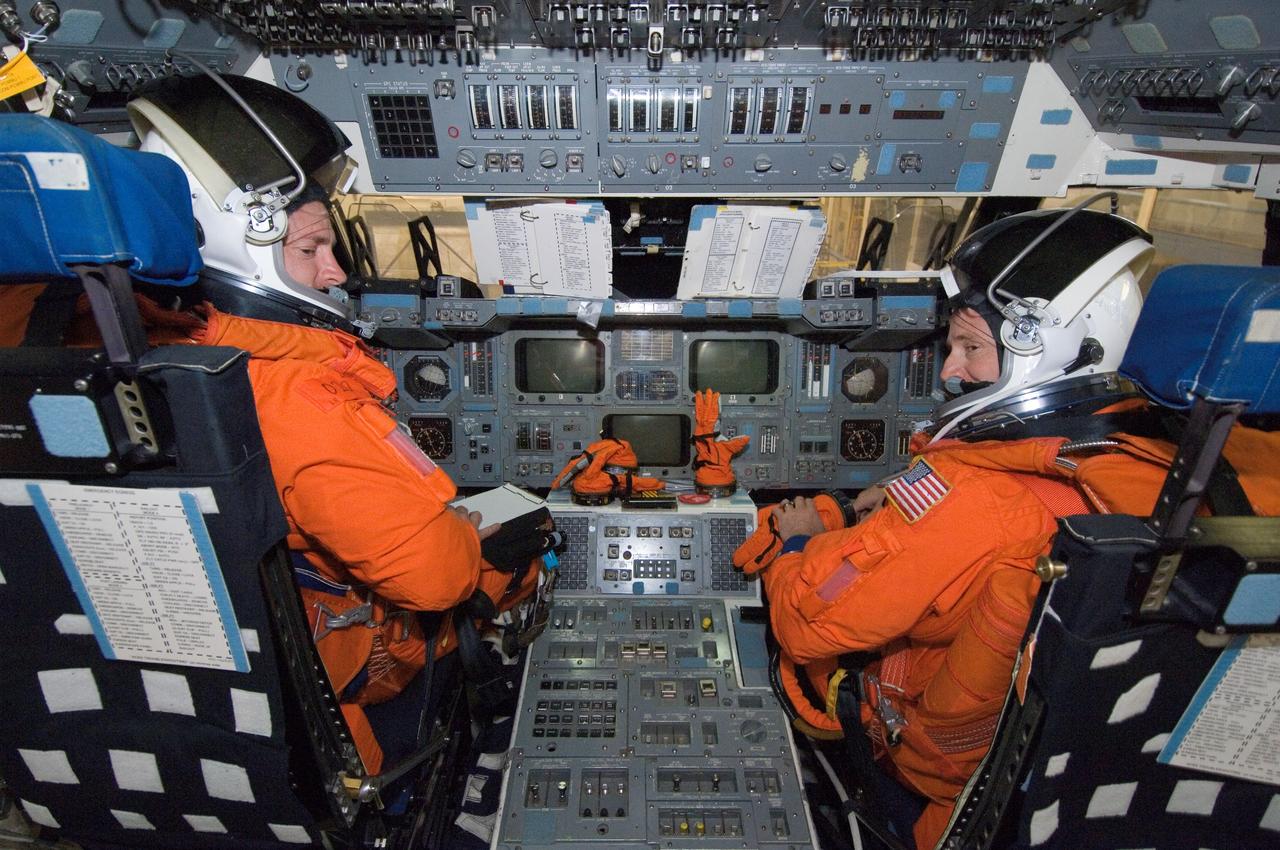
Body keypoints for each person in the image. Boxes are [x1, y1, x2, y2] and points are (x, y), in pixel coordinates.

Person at [748, 203, 1280, 849]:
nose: (949, 371)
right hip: (1142, 783)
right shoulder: (1234, 462)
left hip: (939, 770)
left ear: (1045, 344)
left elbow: (810, 623)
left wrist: (801, 538)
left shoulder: (975, 500)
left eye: (970, 347)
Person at [125, 73, 539, 775]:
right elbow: (436, 580)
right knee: (523, 541)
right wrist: (472, 535)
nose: (336, 272)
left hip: (185, 688)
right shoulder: (295, 393)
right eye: (311, 249)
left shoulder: (124, 354)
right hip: (348, 667)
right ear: (236, 249)